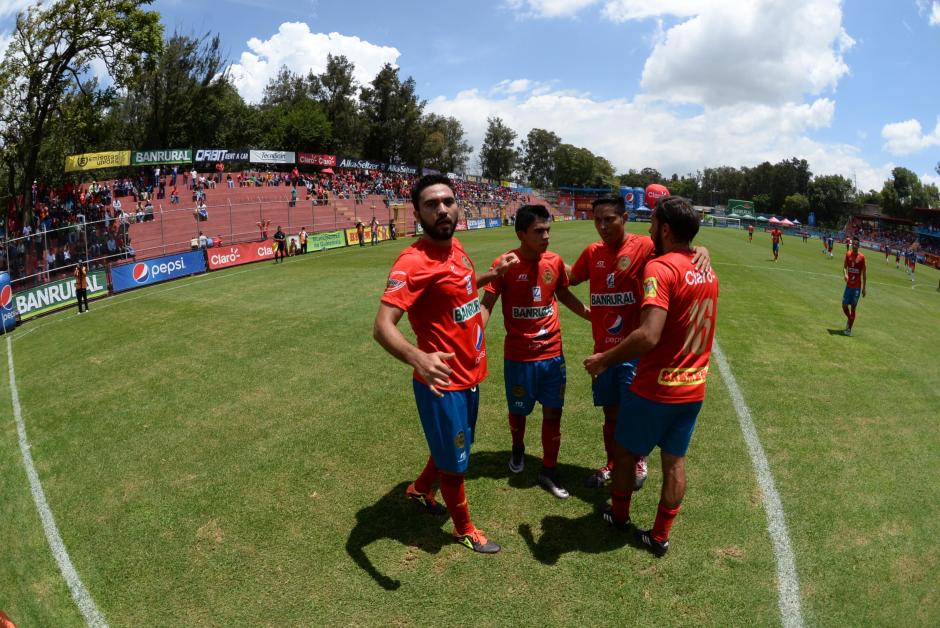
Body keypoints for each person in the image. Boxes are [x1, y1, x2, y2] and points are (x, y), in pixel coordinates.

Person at [372, 174, 516, 554]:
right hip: (442, 383)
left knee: (458, 445)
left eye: (448, 201)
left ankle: (419, 489)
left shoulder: (458, 249)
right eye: (432, 204)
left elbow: (462, 288)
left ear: (458, 205)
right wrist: (418, 357)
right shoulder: (413, 262)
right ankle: (463, 529)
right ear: (417, 212)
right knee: (456, 463)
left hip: (469, 374)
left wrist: (490, 277)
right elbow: (382, 326)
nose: (442, 210)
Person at [584, 196, 719, 557]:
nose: (648, 229)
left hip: (656, 387)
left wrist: (604, 359)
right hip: (693, 388)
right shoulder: (707, 270)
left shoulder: (660, 268)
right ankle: (660, 535)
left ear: (666, 229)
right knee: (674, 463)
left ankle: (619, 515)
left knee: (624, 453)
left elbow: (648, 335)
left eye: (653, 222)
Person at [568, 195, 710, 491]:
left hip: (632, 353)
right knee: (610, 413)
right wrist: (547, 265)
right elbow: (567, 279)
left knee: (632, 417)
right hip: (603, 350)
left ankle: (638, 460)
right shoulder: (592, 253)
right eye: (598, 220)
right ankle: (611, 464)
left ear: (625, 218)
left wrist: (702, 250)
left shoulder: (645, 246)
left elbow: (681, 250)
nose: (603, 226)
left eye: (610, 219)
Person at [480, 204, 591, 499]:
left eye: (548, 231)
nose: (546, 237)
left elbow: (564, 294)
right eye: (539, 232)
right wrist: (473, 338)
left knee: (554, 413)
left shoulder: (554, 262)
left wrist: (591, 315)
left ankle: (549, 471)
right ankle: (518, 449)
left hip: (552, 353)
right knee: (519, 412)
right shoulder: (504, 263)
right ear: (521, 234)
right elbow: (486, 305)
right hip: (518, 356)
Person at [841, 235, 866, 336]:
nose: (854, 246)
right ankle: (850, 318)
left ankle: (849, 330)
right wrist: (845, 274)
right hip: (848, 286)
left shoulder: (862, 258)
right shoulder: (848, 254)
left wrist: (864, 288)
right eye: (853, 244)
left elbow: (864, 274)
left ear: (858, 246)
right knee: (844, 305)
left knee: (853, 308)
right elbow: (844, 267)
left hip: (856, 287)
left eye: (856, 244)